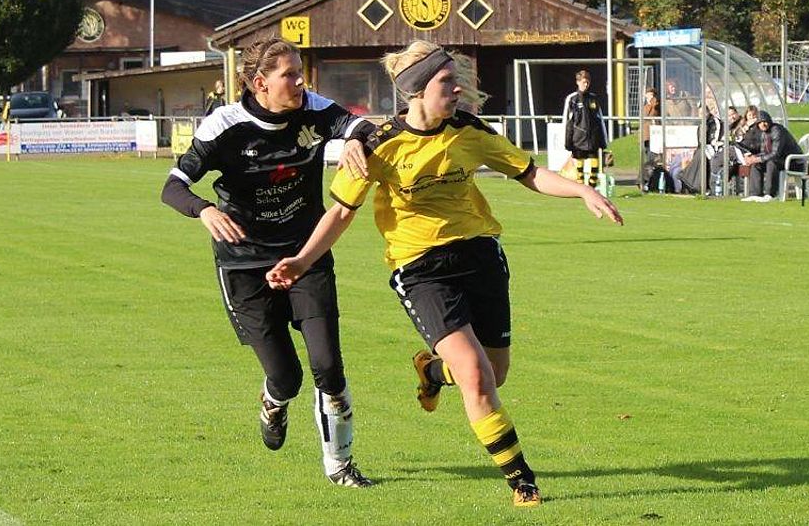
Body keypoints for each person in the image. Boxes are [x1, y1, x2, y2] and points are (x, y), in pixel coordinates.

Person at [265, 40, 624, 507]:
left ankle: (432, 370)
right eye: (446, 82)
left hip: (481, 257)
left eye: (456, 81)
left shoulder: (468, 130)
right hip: (420, 268)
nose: (457, 90)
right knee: (475, 375)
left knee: (495, 373)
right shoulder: (377, 145)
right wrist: (302, 260)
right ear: (417, 90)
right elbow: (341, 212)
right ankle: (523, 482)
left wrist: (582, 191)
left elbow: (529, 172)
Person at [160, 37, 377, 487]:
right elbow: (173, 186)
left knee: (328, 366)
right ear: (260, 83)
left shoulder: (313, 108)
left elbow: (357, 125)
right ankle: (274, 401)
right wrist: (204, 210)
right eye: (289, 75)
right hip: (244, 263)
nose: (301, 82)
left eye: (300, 72)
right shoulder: (225, 125)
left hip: (306, 254)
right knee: (287, 376)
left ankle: (340, 465)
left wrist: (356, 139)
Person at [741, 110, 804, 201]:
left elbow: (776, 153)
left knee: (771, 163)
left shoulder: (777, 130)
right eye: (760, 122)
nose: (763, 124)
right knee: (755, 164)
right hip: (781, 161)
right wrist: (752, 158)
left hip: (794, 162)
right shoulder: (764, 133)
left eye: (765, 121)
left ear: (769, 121)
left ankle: (770, 194)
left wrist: (758, 159)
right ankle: (755, 194)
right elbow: (764, 152)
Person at [563, 70, 608, 187]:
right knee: (579, 170)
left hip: (593, 138)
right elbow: (567, 121)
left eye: (588, 82)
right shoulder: (572, 99)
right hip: (578, 139)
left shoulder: (593, 98)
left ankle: (592, 187)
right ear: (578, 82)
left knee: (595, 167)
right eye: (584, 82)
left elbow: (600, 119)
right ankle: (581, 188)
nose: (586, 84)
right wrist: (567, 141)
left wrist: (603, 140)